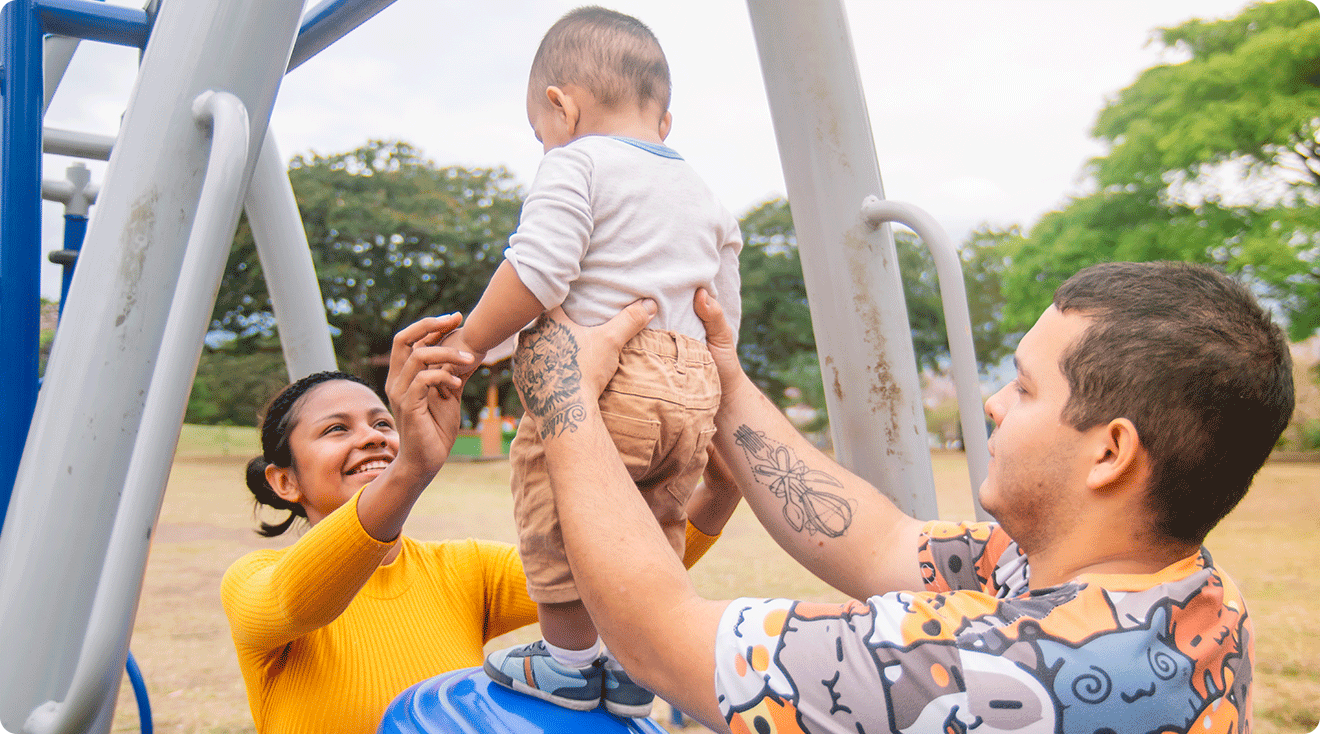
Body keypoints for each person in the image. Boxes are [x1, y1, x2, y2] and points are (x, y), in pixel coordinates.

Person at [511, 261, 1294, 733]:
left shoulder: (990, 670)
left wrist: (564, 399)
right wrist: (726, 377)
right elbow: (883, 543)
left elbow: (657, 637)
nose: (992, 403)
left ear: (1110, 452)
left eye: (1022, 387)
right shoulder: (1196, 597)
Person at [220, 315, 739, 734]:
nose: (374, 437)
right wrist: (411, 469)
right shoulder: (252, 581)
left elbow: (605, 569)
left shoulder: (463, 570)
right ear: (284, 482)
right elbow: (299, 601)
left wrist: (718, 492)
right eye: (337, 429)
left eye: (383, 423)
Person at [438, 5, 743, 718]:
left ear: (561, 106)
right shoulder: (704, 194)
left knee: (558, 508)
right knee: (654, 519)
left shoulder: (575, 163)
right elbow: (719, 309)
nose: (543, 142)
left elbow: (539, 273)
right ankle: (640, 666)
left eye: (539, 130)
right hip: (688, 385)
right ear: (663, 120)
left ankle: (571, 663)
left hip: (605, 385)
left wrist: (473, 341)